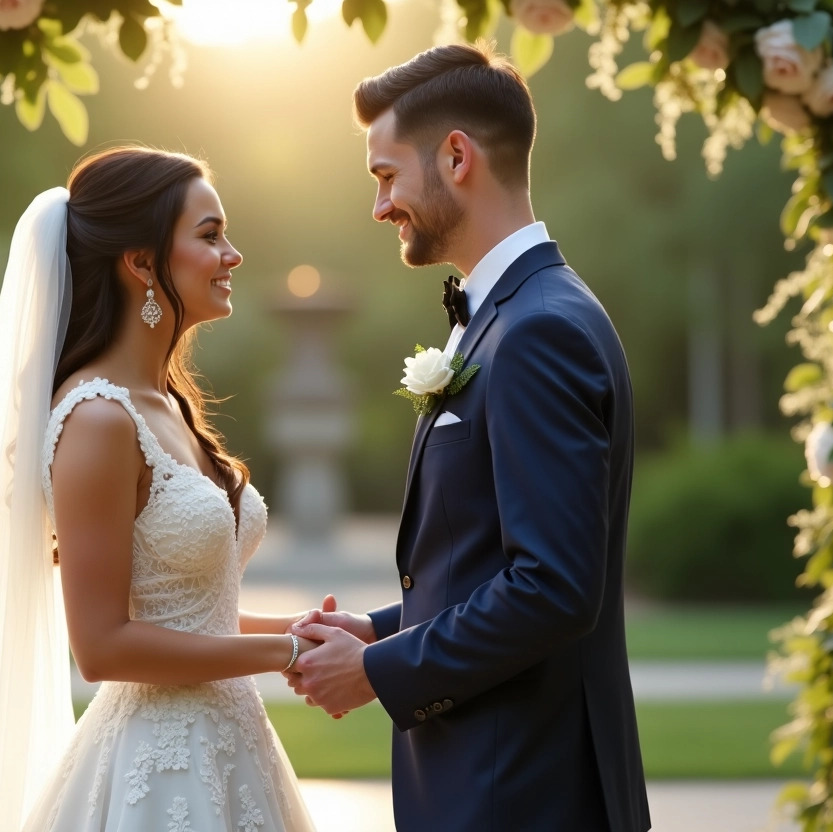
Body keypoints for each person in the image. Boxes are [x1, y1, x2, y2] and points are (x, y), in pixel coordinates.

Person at [0, 147, 318, 832]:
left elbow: (185, 616)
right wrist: (285, 654)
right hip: (156, 771)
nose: (233, 255)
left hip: (237, 750)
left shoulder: (167, 404)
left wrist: (299, 631)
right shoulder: (97, 419)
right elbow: (103, 647)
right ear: (142, 262)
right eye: (210, 235)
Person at [288, 43, 652, 831]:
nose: (379, 207)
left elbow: (552, 587)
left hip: (522, 795)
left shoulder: (537, 331)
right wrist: (383, 628)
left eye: (386, 176)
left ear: (456, 157)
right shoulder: (508, 318)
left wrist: (379, 671)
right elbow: (488, 559)